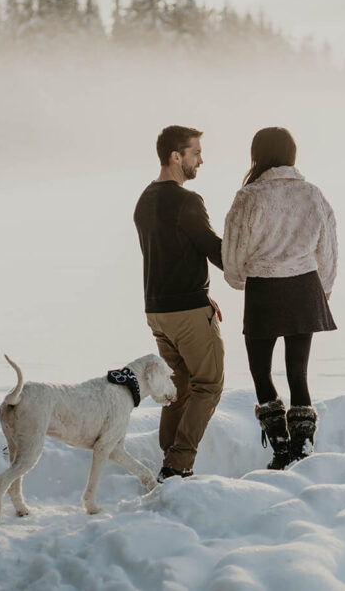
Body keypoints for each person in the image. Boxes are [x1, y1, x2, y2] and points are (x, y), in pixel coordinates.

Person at [223, 127, 337, 470]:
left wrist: (239, 280)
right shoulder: (313, 194)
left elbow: (233, 252)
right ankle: (302, 449)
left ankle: (281, 448)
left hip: (264, 289)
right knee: (298, 374)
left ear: (258, 155)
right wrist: (325, 286)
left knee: (261, 373)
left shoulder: (249, 196)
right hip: (304, 286)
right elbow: (328, 247)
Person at [134, 125, 225, 482]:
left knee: (182, 382)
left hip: (157, 311)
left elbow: (168, 255)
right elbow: (215, 250)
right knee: (209, 384)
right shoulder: (188, 201)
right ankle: (178, 464)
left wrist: (200, 292)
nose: (201, 160)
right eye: (196, 152)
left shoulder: (144, 199)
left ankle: (168, 454)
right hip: (187, 312)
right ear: (176, 156)